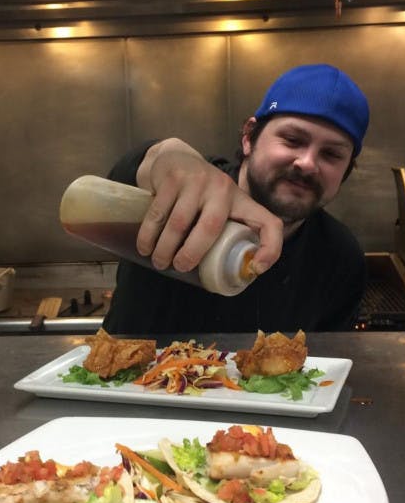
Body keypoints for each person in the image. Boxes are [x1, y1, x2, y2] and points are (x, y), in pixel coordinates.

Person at [101, 63, 369, 335]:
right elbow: (129, 178)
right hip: (120, 376)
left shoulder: (340, 256)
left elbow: (327, 361)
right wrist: (162, 157)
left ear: (346, 170)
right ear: (249, 137)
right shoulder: (183, 190)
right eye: (292, 139)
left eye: (331, 155)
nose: (308, 163)